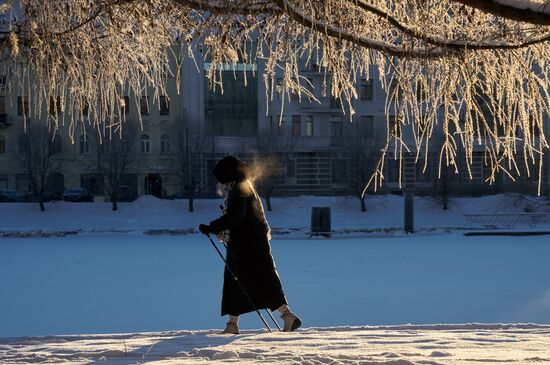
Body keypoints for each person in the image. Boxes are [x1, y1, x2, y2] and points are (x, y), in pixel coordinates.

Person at [199, 156, 301, 334]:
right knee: (255, 281)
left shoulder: (239, 189)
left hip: (247, 246)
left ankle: (236, 324)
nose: (219, 182)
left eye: (220, 178)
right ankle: (284, 317)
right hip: (250, 244)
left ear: (228, 174)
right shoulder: (242, 186)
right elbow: (238, 216)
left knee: (242, 281)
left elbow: (235, 217)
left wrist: (212, 226)